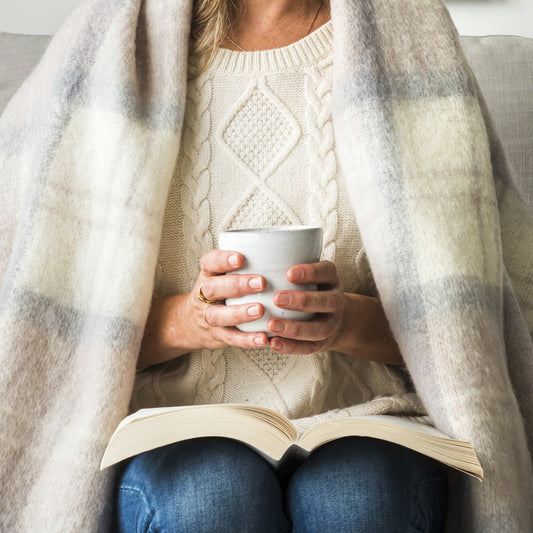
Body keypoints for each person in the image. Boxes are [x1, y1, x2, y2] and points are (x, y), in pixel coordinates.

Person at [0, 0, 531, 531]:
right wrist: (189, 321)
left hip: (374, 421)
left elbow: (481, 330)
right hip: (170, 426)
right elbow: (38, 331)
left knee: (360, 501)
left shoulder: (411, 39)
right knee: (211, 499)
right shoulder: (112, 43)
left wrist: (348, 322)